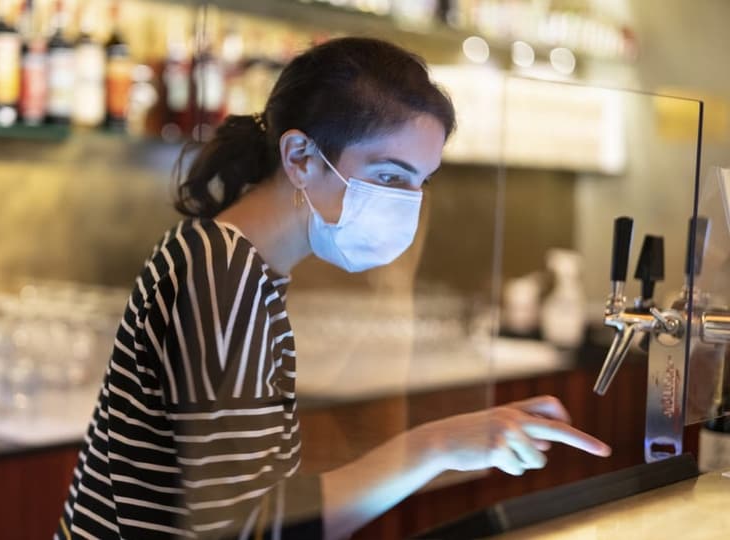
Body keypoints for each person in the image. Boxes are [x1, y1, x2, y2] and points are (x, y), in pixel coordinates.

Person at [55, 37, 611, 540]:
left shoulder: (234, 264)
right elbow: (250, 527)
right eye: (391, 177)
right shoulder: (219, 272)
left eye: (420, 183)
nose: (407, 205)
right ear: (300, 158)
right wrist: (439, 444)